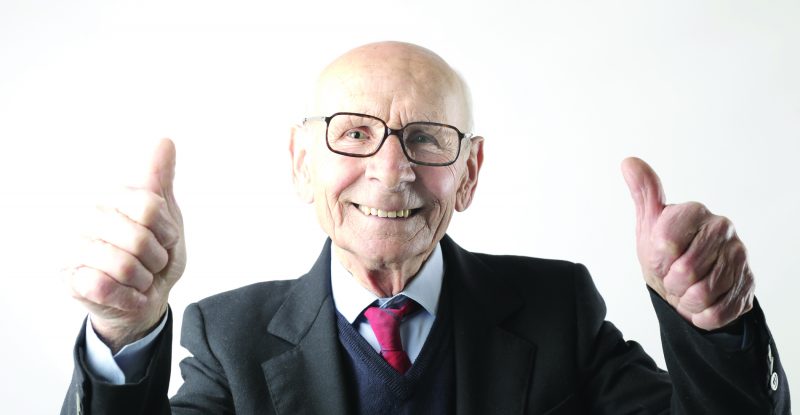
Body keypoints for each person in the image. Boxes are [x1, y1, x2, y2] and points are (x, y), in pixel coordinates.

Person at [61, 41, 789, 414]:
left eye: (427, 139)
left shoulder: (557, 308)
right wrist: (124, 335)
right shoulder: (231, 335)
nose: (392, 170)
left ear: (469, 172)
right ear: (301, 163)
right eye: (354, 133)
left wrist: (716, 326)